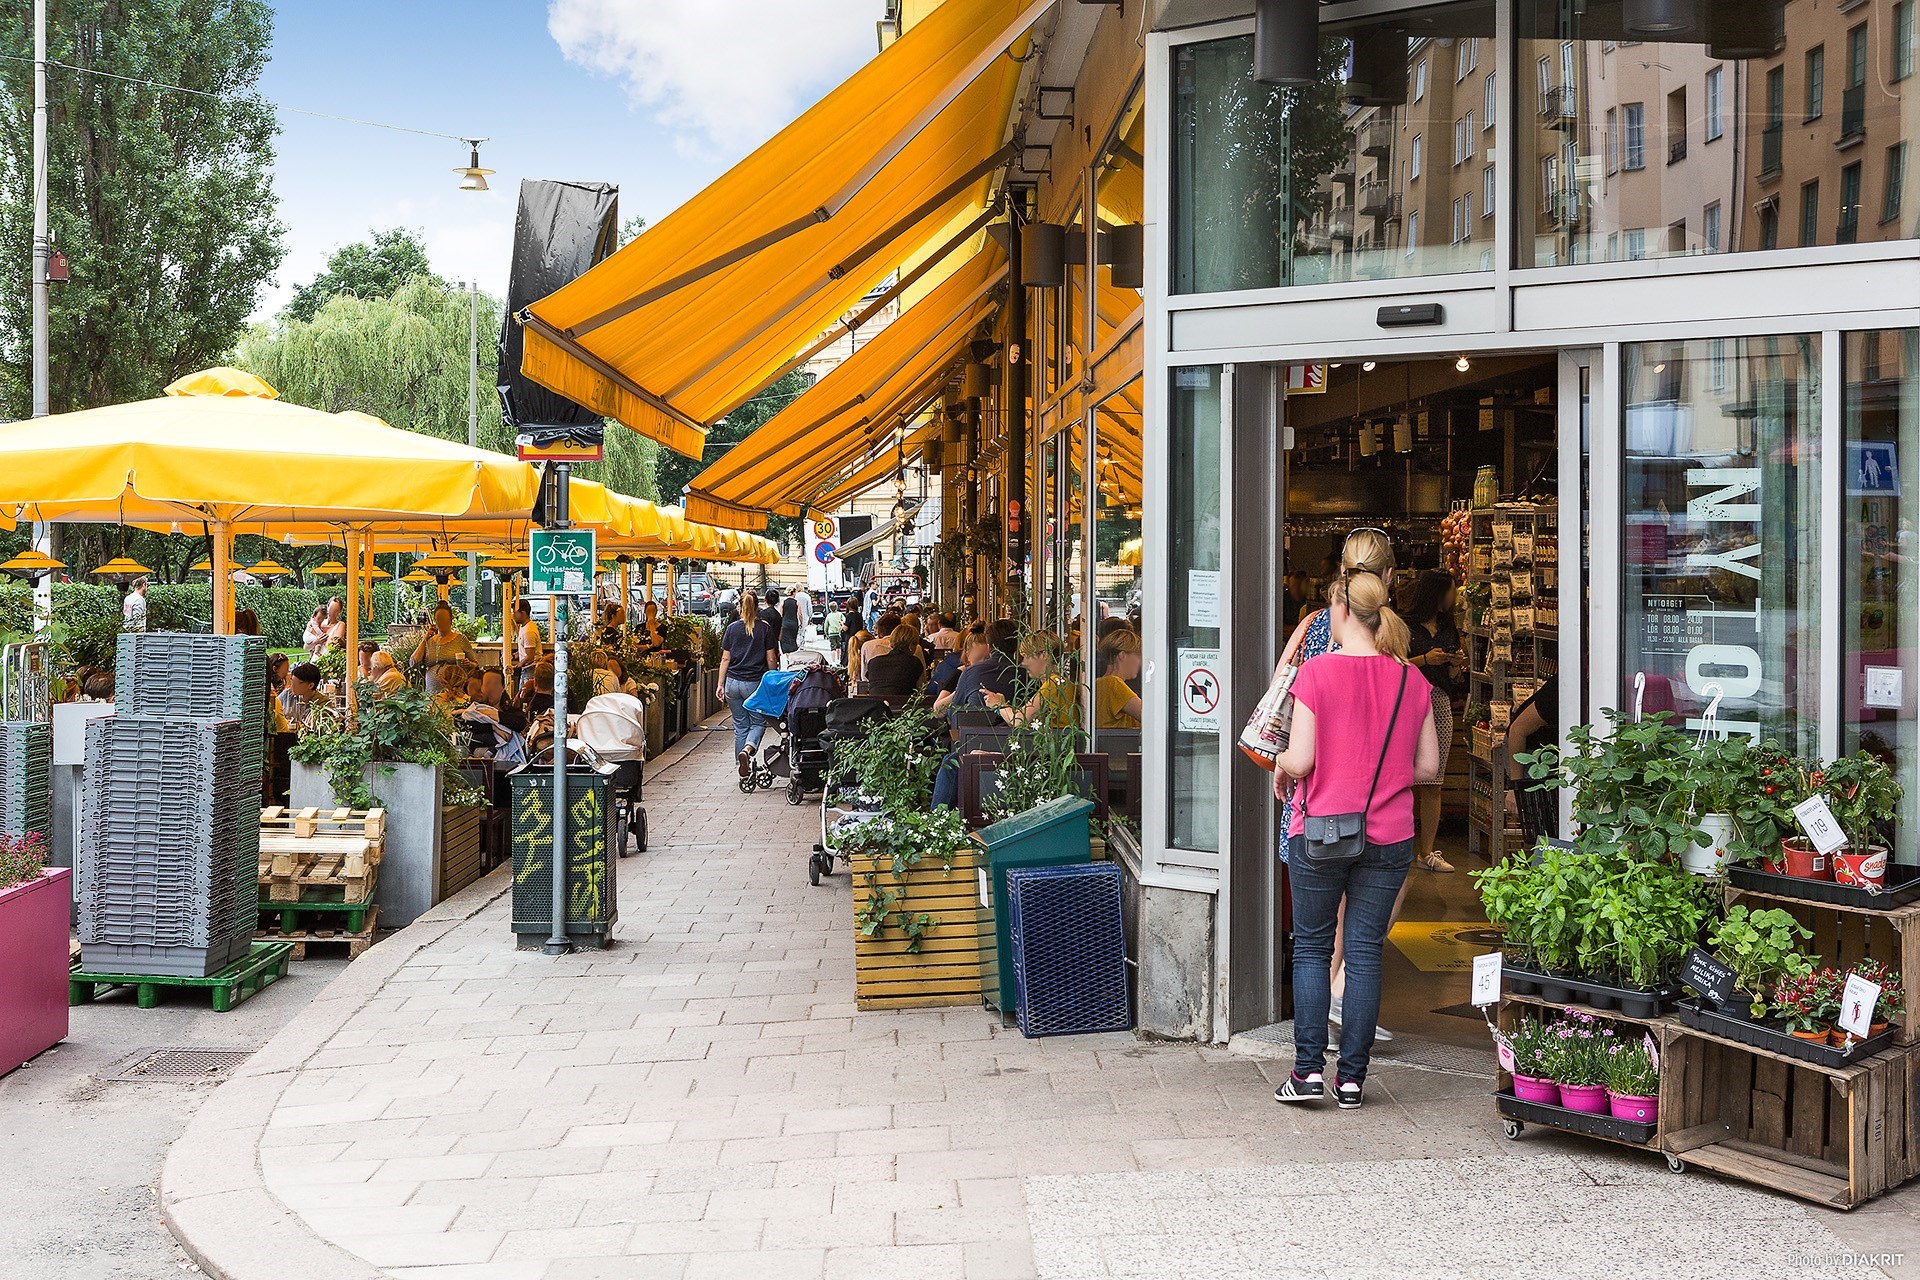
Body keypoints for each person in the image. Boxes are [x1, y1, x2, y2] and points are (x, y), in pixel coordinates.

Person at [1271, 568, 1438, 1111]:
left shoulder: (1316, 675)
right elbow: (1429, 766)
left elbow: (1301, 758)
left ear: (1340, 613)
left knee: (1314, 950)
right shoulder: (1413, 681)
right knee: (1364, 953)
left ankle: (1306, 1074)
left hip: (1320, 830)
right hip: (1389, 836)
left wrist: (1279, 764)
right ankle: (1351, 1081)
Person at [1275, 527, 1398, 1041]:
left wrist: (1286, 758)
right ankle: (1339, 1003)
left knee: (1315, 932)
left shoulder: (1312, 626)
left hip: (1310, 796)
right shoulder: (1389, 636)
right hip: (1368, 799)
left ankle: (1322, 1020)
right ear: (1389, 578)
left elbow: (1279, 688)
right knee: (1361, 922)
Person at [1403, 570, 1468, 874]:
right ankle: (1399, 844)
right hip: (1407, 700)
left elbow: (1453, 677)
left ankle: (1427, 851)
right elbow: (1392, 662)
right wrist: (1426, 659)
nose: (1454, 597)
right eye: (1451, 590)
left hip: (1439, 700)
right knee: (1401, 775)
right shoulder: (1404, 625)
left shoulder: (1448, 625)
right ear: (1437, 593)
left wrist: (1456, 666)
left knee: (1434, 778)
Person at [716, 589, 778, 776]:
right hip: (754, 683)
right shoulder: (764, 628)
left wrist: (720, 684)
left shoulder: (732, 629)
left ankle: (741, 766)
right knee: (758, 723)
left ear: (740, 607)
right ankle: (747, 751)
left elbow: (725, 659)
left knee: (740, 725)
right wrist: (773, 681)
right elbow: (771, 659)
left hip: (732, 684)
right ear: (757, 606)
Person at [982, 633, 1078, 729]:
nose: (1023, 663)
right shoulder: (1057, 682)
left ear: (1044, 655)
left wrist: (999, 705)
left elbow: (1018, 721)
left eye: (1025, 656)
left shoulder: (1053, 684)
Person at [1507, 681, 1561, 850]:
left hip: (1556, 753)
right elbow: (1517, 730)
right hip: (1529, 750)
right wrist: (1516, 787)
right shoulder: (1557, 691)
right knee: (1544, 827)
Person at [410, 603, 477, 695]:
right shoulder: (430, 641)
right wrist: (425, 638)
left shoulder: (461, 639)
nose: (441, 622)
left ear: (450, 620)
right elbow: (413, 662)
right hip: (431, 691)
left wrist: (469, 664)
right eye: (438, 619)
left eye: (444, 619)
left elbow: (475, 664)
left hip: (453, 690)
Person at [1094, 629, 1144, 731]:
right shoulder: (1114, 684)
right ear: (1122, 655)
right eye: (1138, 656)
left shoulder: (1098, 683)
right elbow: (1150, 716)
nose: (1140, 662)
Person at [862, 623, 926, 698]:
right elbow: (921, 689)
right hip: (903, 707)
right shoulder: (914, 662)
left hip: (877, 706)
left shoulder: (874, 662)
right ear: (911, 645)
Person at [475, 668, 528, 734]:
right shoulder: (474, 709)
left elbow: (521, 723)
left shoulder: (511, 712)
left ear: (503, 688)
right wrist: (493, 728)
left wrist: (495, 715)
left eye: (495, 684)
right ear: (481, 687)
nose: (491, 689)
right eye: (487, 684)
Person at [280, 663, 322, 728]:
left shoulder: (322, 703)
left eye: (295, 683)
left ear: (310, 685)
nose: (292, 686)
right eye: (292, 681)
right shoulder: (287, 695)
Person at [513, 601, 543, 682]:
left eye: (515, 612)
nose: (513, 615)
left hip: (530, 670)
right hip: (527, 669)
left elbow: (530, 657)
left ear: (522, 613)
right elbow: (526, 649)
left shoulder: (528, 631)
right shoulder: (524, 627)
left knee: (526, 693)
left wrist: (517, 666)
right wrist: (514, 655)